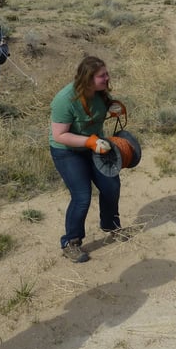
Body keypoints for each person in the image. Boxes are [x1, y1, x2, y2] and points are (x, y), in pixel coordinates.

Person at [49, 55, 123, 263]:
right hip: (67, 151)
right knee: (82, 196)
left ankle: (110, 225)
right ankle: (71, 242)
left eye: (106, 73)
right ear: (88, 79)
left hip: (95, 145)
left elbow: (103, 107)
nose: (107, 78)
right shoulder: (65, 99)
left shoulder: (100, 92)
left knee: (111, 185)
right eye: (102, 76)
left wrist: (113, 108)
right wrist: (90, 143)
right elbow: (60, 135)